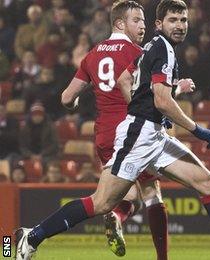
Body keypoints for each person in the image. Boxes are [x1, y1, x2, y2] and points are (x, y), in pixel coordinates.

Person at [14, 2, 210, 260]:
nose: (180, 25)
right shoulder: (151, 49)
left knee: (206, 182)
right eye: (173, 20)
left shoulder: (142, 48)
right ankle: (30, 236)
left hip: (145, 133)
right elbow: (161, 99)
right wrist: (197, 129)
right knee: (103, 203)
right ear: (159, 23)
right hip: (136, 136)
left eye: (184, 20)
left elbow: (118, 82)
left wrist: (147, 108)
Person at [58, 2, 170, 258]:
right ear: (120, 23)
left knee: (130, 195)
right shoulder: (138, 53)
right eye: (138, 20)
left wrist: (76, 103)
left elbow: (66, 98)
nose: (143, 26)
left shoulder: (92, 54)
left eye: (144, 20)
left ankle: (117, 217)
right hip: (132, 133)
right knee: (152, 194)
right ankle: (163, 258)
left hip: (104, 136)